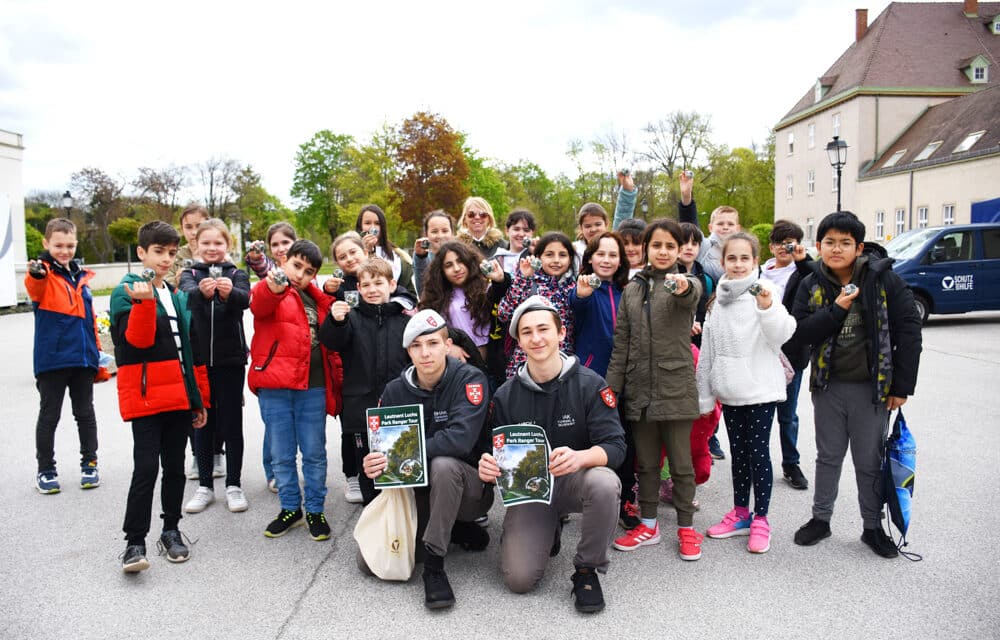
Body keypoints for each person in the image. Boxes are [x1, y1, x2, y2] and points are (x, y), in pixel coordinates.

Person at [479, 295, 625, 613]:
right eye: (527, 331)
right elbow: (497, 451)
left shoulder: (590, 383)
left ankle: (587, 569)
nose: (536, 338)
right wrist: (489, 464)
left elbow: (616, 447)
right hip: (531, 490)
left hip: (575, 478)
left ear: (561, 333)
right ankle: (547, 528)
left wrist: (581, 457)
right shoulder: (505, 395)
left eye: (543, 329)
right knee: (518, 580)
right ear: (518, 340)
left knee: (604, 482)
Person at [791, 211, 922, 558]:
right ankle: (821, 519)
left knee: (869, 460)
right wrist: (834, 310)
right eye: (829, 242)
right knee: (828, 456)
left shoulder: (882, 279)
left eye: (845, 243)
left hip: (872, 388)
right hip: (829, 386)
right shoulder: (812, 283)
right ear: (818, 246)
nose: (836, 249)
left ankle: (872, 526)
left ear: (859, 246)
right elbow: (799, 332)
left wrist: (901, 386)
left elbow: (909, 328)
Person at [358, 310, 493, 609]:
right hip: (418, 491)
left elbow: (459, 440)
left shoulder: (470, 379)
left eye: (432, 343)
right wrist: (372, 464)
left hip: (468, 488)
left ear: (447, 345)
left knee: (443, 463)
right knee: (370, 563)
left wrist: (402, 452)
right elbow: (380, 447)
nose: (425, 352)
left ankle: (434, 567)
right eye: (416, 346)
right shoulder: (394, 391)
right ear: (408, 352)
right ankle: (453, 528)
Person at [111, 221, 210, 572]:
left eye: (171, 253)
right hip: (146, 395)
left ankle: (170, 529)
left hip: (179, 397)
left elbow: (188, 351)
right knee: (146, 467)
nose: (166, 259)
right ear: (141, 252)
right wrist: (141, 304)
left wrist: (198, 400)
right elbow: (135, 342)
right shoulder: (125, 291)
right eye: (158, 252)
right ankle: (134, 542)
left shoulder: (173, 293)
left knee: (175, 468)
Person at [605, 218, 705, 561]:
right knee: (645, 464)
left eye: (670, 246)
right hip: (639, 390)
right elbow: (622, 344)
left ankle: (687, 528)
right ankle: (648, 524)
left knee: (680, 464)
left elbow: (689, 292)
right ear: (646, 249)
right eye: (657, 245)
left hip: (675, 388)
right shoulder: (632, 289)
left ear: (679, 250)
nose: (663, 252)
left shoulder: (686, 281)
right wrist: (611, 389)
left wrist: (680, 286)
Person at [697, 232, 796, 554]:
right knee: (738, 455)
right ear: (722, 262)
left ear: (755, 261)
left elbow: (782, 335)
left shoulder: (765, 292)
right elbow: (708, 352)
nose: (738, 264)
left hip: (760, 390)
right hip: (730, 390)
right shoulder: (718, 301)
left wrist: (767, 308)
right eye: (731, 258)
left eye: (744, 258)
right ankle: (741, 513)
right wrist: (705, 395)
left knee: (758, 454)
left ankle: (761, 518)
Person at [248, 240, 343, 541]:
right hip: (275, 387)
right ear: (284, 260)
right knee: (281, 454)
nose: (300, 274)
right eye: (296, 266)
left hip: (312, 386)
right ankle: (290, 507)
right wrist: (274, 288)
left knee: (314, 452)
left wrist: (327, 293)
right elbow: (259, 303)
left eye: (308, 271)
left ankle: (315, 508)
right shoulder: (272, 290)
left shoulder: (316, 298)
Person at [319, 258, 415, 505]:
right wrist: (336, 321)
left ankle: (401, 518)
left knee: (400, 465)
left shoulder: (404, 318)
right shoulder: (352, 316)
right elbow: (331, 341)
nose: (372, 289)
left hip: (397, 409)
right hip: (360, 408)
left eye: (378, 283)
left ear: (391, 284)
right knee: (368, 470)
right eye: (366, 284)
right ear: (358, 289)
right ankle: (373, 517)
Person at [25, 218, 106, 494]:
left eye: (70, 245)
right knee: (50, 415)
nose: (65, 250)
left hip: (83, 359)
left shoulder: (81, 276)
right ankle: (45, 470)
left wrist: (97, 354)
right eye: (59, 245)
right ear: (46, 243)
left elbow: (89, 319)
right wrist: (36, 273)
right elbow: (34, 284)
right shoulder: (42, 273)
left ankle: (90, 463)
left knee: (85, 414)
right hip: (53, 360)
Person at [178, 218, 251, 514]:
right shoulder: (189, 273)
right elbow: (186, 295)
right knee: (203, 423)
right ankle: (205, 485)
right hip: (199, 362)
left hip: (231, 361)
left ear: (228, 245)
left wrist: (228, 292)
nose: (212, 248)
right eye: (206, 243)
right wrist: (203, 292)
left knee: (232, 424)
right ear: (196, 245)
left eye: (218, 243)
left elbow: (245, 300)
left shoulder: (238, 273)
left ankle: (233, 484)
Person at [760, 220, 814, 490]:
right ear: (771, 246)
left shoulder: (802, 271)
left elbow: (819, 278)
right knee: (760, 411)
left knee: (788, 414)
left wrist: (804, 260)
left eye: (791, 242)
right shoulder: (760, 274)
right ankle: (756, 462)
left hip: (792, 351)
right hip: (761, 351)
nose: (785, 247)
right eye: (781, 242)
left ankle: (791, 463)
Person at [496, 232, 577, 378]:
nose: (556, 260)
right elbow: (504, 312)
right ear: (538, 257)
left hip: (561, 365)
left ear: (570, 259)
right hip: (525, 364)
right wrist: (523, 279)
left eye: (563, 255)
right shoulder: (529, 282)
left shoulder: (574, 288)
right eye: (549, 254)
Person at [419, 241, 510, 363]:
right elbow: (429, 331)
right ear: (441, 270)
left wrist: (501, 280)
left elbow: (505, 300)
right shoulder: (437, 297)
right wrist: (449, 347)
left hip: (496, 361)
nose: (456, 269)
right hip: (463, 364)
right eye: (448, 265)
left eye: (460, 261)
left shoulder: (485, 287)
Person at [355, 204, 415, 295]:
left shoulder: (397, 255)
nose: (373, 228)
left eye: (377, 223)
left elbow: (409, 291)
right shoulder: (353, 253)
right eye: (367, 223)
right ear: (360, 227)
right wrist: (367, 252)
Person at [412, 210, 456, 295]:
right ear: (426, 234)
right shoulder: (423, 259)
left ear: (452, 233)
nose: (440, 236)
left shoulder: (462, 256)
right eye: (434, 232)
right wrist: (420, 257)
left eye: (445, 231)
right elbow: (422, 292)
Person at [167, 203, 208, 286]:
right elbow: (164, 287)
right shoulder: (173, 256)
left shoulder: (220, 255)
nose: (194, 232)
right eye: (188, 227)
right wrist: (177, 281)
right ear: (182, 229)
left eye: (199, 226)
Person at [698, 205, 741, 283]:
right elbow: (691, 224)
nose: (725, 227)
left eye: (730, 224)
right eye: (720, 224)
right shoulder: (704, 245)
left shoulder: (743, 249)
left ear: (738, 229)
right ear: (710, 228)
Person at [494, 208, 537, 274]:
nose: (521, 234)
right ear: (507, 231)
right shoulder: (496, 259)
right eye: (516, 229)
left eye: (526, 230)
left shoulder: (538, 258)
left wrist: (538, 253)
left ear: (532, 233)